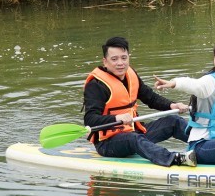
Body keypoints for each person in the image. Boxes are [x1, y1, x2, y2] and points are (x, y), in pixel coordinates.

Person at [83, 36, 195, 167]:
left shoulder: (131, 74)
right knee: (133, 138)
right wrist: (116, 118)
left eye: (124, 58)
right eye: (114, 59)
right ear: (105, 62)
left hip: (136, 132)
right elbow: (90, 119)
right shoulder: (96, 86)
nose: (120, 63)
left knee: (174, 121)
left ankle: (207, 146)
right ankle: (174, 159)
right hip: (108, 143)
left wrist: (172, 105)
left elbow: (151, 98)